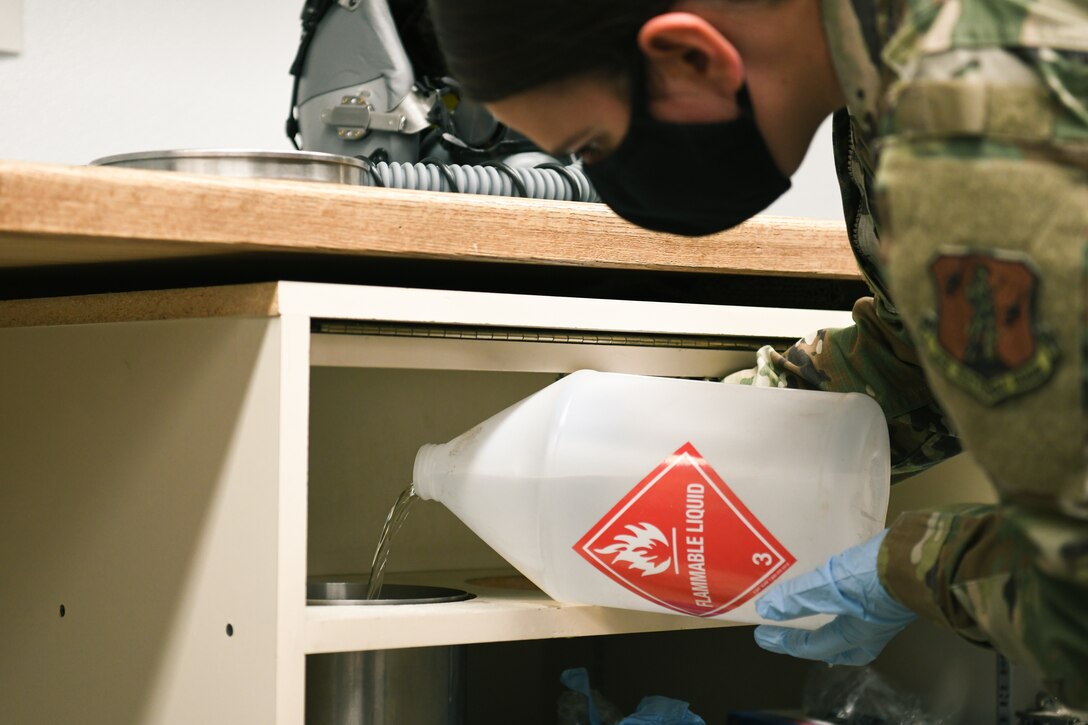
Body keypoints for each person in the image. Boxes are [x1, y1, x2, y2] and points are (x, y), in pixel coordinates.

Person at [423, 0, 1088, 708]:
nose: (606, 181)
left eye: (592, 146)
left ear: (690, 55)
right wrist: (726, 435)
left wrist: (911, 568)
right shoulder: (902, 66)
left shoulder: (968, 124)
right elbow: (953, 345)